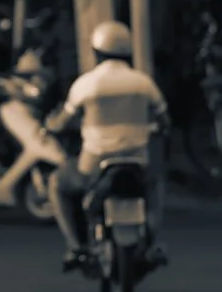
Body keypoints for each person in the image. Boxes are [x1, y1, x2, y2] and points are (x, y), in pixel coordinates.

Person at [44, 21, 170, 271]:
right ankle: (152, 242)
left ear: (96, 52)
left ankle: (75, 247)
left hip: (94, 167)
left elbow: (61, 121)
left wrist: (51, 125)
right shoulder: (143, 83)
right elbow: (164, 121)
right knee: (155, 185)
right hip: (137, 164)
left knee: (57, 183)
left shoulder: (87, 84)